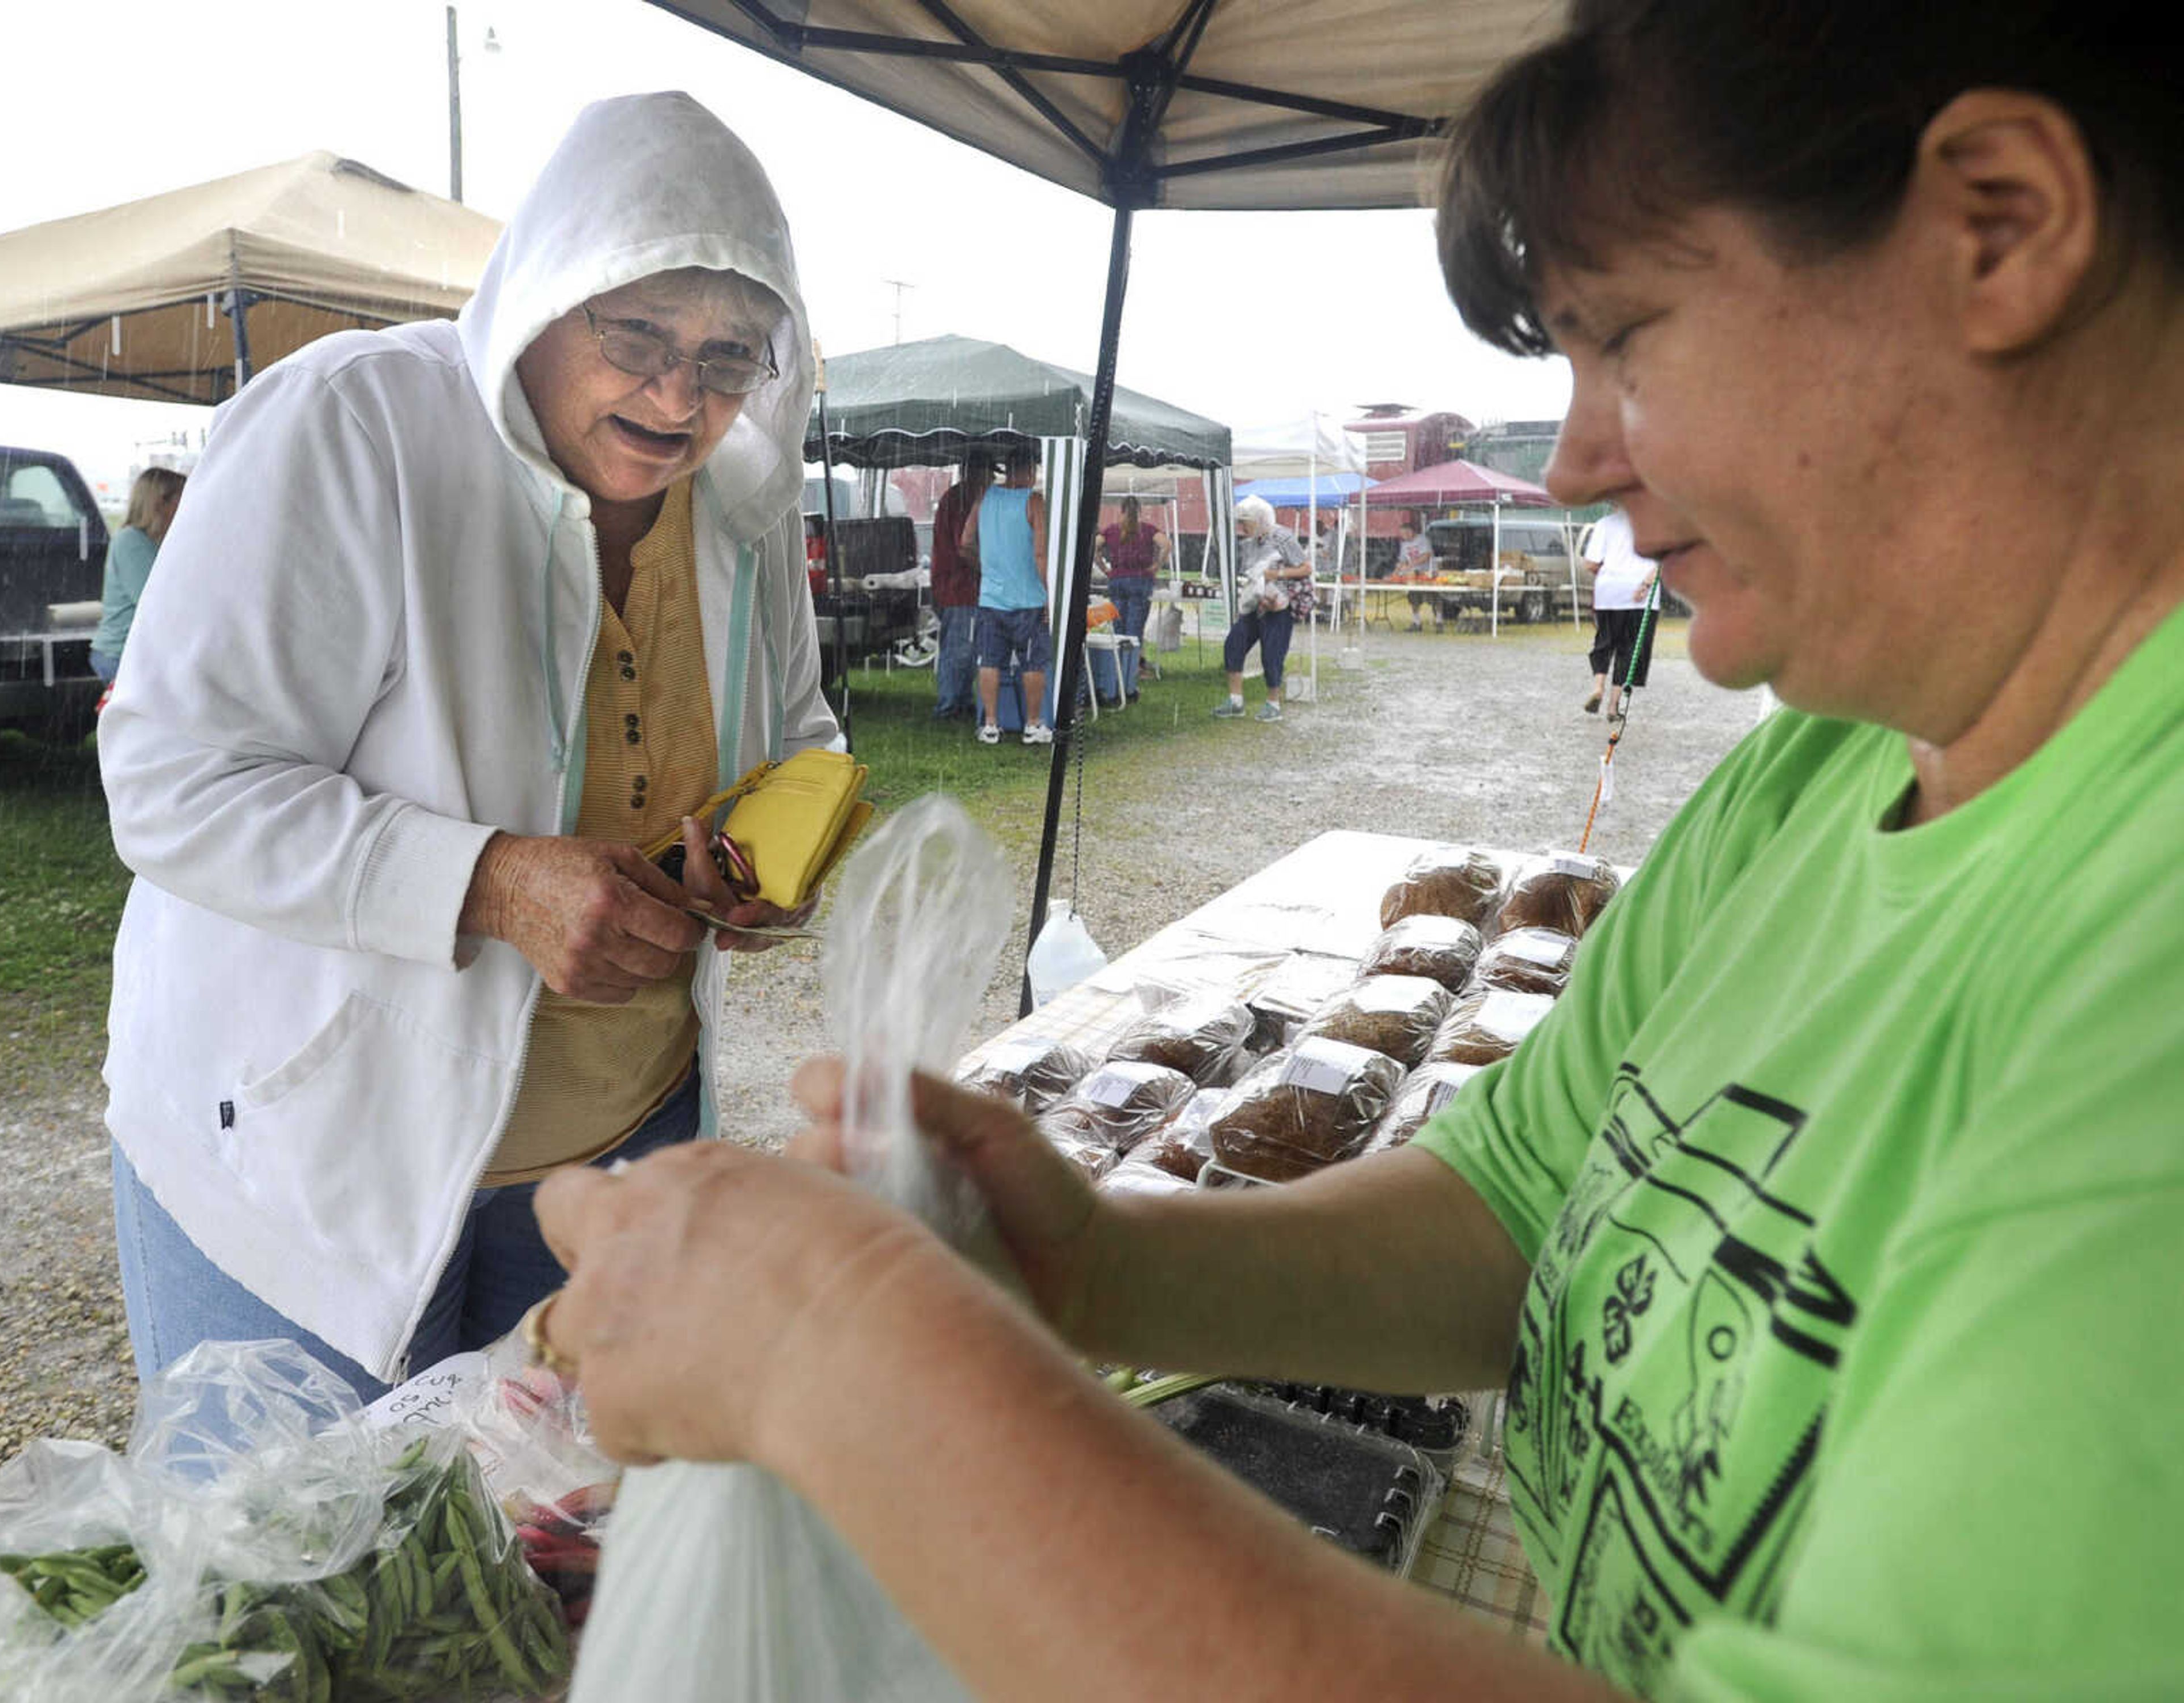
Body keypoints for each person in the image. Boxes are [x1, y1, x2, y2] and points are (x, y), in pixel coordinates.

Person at [535, 5, 2184, 1698]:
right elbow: (1516, 1205)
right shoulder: (1829, 767)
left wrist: (845, 1359)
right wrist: (1099, 1263)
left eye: (1623, 337)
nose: (1571, 459)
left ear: (1999, 223)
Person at [94, 92, 838, 1404]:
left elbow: (799, 734)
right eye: (637, 333)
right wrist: (489, 881)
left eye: (730, 356)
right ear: (542, 295)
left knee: (530, 1573)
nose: (680, 395)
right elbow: (172, 779)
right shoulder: (354, 426)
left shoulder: (735, 507)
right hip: (316, 1158)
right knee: (300, 1586)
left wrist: (765, 848)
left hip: (613, 1155)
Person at [963, 443, 1052, 747]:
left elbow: (965, 542)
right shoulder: (1034, 501)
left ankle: (990, 725)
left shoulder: (984, 497)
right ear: (1030, 471)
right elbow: (1040, 553)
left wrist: (986, 567)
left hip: (991, 598)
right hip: (1028, 597)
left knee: (989, 661)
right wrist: (1048, 594)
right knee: (1033, 663)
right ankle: (1033, 724)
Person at [1213, 494, 1308, 722]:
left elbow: (1306, 569)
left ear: (1260, 520)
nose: (1242, 527)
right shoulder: (1251, 543)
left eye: (1245, 522)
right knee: (1234, 644)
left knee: (1272, 654)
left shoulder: (1283, 537)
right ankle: (1236, 702)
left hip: (1278, 606)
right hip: (1255, 605)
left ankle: (1273, 704)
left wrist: (1276, 575)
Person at [87, 467, 185, 684]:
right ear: (161, 503)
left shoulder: (152, 543)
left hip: (138, 653)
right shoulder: (132, 542)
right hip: (123, 653)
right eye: (182, 499)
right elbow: (155, 601)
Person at [928, 451, 993, 720]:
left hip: (954, 586)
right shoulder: (964, 500)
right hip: (959, 587)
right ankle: (950, 705)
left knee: (962, 646)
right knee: (960, 649)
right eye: (990, 473)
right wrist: (990, 572)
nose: (992, 479)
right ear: (977, 472)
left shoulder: (956, 497)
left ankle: (961, 700)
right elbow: (965, 548)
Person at [1581, 504, 1659, 715]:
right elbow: (1662, 563)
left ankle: (1598, 687)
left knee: (1604, 642)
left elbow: (1590, 564)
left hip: (1610, 593)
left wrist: (1611, 576)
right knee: (1630, 650)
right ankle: (1614, 707)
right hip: (1641, 598)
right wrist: (1644, 585)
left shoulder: (1604, 525)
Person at [1094, 494, 1168, 702]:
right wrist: (1157, 565)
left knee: (1118, 630)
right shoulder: (1148, 530)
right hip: (1140, 580)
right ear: (1140, 511)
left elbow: (1094, 546)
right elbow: (1167, 545)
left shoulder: (1111, 530)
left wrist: (1103, 568)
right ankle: (1131, 676)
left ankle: (1115, 673)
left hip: (1117, 581)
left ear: (1122, 510)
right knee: (1134, 631)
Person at [1393, 517, 1441, 632]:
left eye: (1405, 533)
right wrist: (1396, 571)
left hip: (1428, 573)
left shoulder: (1423, 540)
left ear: (1411, 532)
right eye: (1402, 534)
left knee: (1434, 598)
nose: (1403, 536)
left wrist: (1411, 565)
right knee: (1413, 597)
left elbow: (1426, 556)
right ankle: (1417, 622)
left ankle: (1439, 621)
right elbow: (1403, 560)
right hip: (1413, 575)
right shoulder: (1404, 544)